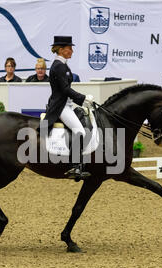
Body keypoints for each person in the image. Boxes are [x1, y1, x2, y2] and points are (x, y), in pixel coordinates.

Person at [41, 35, 94, 181]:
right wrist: (83, 99)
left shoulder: (62, 65)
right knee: (80, 131)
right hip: (61, 107)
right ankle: (75, 166)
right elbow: (64, 89)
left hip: (67, 104)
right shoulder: (59, 66)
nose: (72, 51)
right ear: (61, 49)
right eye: (69, 48)